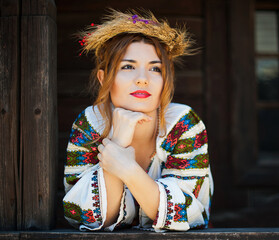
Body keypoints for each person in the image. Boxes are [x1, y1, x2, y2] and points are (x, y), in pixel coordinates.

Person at [63, 9, 213, 232]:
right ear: (104, 78)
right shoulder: (90, 125)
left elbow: (189, 214)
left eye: (155, 68)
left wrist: (126, 168)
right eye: (128, 66)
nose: (143, 79)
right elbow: (91, 218)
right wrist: (118, 142)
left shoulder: (182, 124)